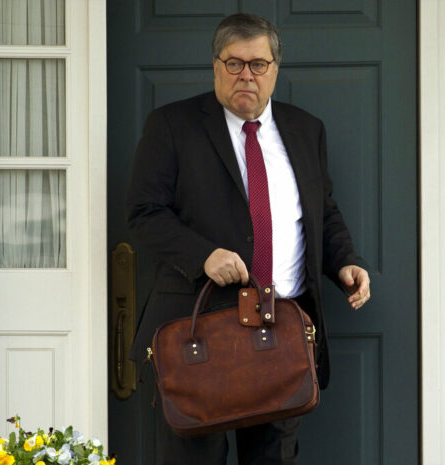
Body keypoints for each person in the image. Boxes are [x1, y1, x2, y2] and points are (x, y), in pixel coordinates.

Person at [126, 13, 371, 465]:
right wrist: (203, 256)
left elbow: (321, 212)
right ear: (216, 67)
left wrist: (344, 262)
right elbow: (143, 215)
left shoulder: (305, 129)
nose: (246, 75)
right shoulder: (173, 126)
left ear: (275, 68)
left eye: (258, 64)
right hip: (199, 338)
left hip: (281, 336)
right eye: (234, 63)